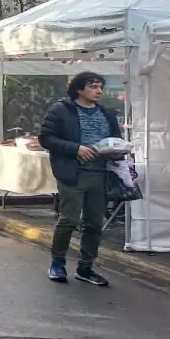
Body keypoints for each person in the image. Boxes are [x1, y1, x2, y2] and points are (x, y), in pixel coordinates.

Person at [39, 72, 119, 287]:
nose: (98, 91)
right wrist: (75, 149)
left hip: (100, 174)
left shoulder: (106, 113)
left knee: (94, 223)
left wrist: (118, 150)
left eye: (100, 86)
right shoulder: (61, 110)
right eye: (93, 86)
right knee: (69, 220)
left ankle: (86, 267)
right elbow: (46, 138)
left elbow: (115, 139)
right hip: (73, 173)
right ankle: (57, 263)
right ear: (79, 89)